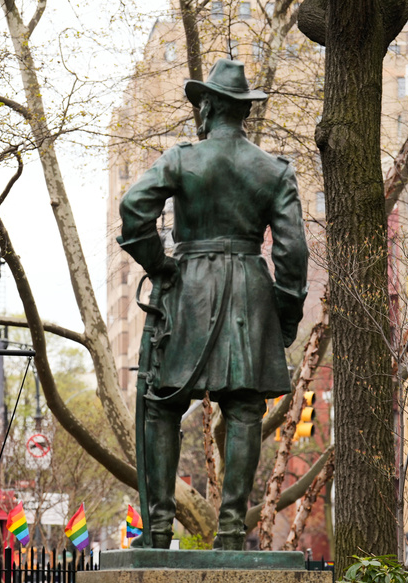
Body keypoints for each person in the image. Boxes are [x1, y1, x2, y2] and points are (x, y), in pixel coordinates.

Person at [118, 58, 309, 550]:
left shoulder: (182, 160)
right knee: (244, 409)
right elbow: (292, 253)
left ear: (208, 108)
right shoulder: (274, 171)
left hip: (190, 287)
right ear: (241, 112)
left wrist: (159, 265)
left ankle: (157, 530)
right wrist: (285, 318)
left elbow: (134, 208)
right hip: (249, 288)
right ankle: (229, 531)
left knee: (162, 405)